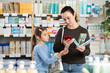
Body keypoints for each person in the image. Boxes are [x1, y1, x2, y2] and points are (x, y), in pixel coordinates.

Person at [53, 6, 90, 73]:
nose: (66, 21)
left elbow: (88, 52)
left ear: (74, 14)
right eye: (64, 19)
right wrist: (63, 45)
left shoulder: (83, 31)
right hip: (65, 65)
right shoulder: (62, 31)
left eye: (68, 18)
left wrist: (83, 50)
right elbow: (55, 49)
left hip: (79, 66)